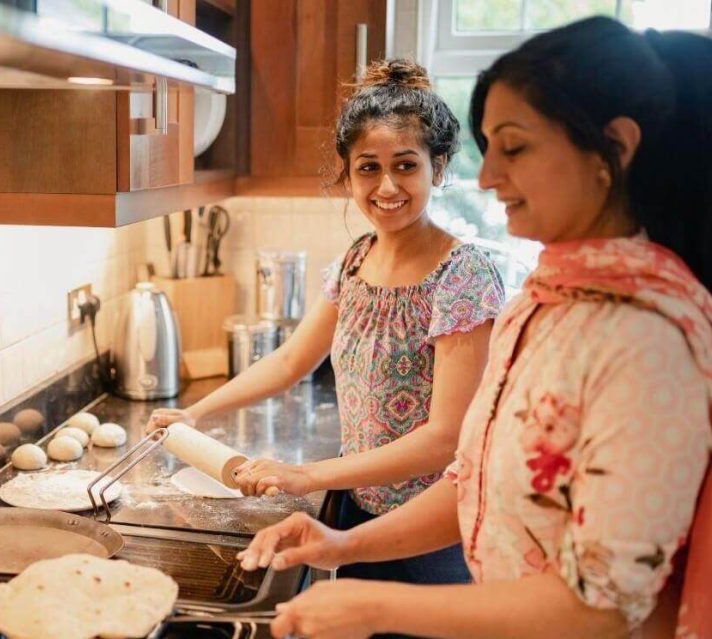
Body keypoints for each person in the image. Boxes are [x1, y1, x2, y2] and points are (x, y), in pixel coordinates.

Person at [236, 16, 712, 639]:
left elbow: (602, 607)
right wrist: (340, 545)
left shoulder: (648, 339)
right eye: (488, 150)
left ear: (613, 150)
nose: (487, 178)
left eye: (513, 148)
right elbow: (473, 480)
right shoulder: (546, 301)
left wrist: (375, 608)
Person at [149, 60, 505, 588]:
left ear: (440, 167)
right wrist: (195, 412)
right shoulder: (355, 261)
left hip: (433, 528)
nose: (387, 185)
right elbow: (293, 359)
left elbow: (445, 437)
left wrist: (308, 474)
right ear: (347, 173)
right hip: (356, 504)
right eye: (368, 167)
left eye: (406, 166)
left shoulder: (463, 277)